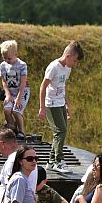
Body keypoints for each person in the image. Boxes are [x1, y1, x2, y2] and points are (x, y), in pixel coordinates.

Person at [38, 41, 84, 174]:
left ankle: (51, 161)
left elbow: (63, 87)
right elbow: (43, 87)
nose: (75, 64)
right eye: (75, 61)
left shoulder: (67, 69)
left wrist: (67, 105)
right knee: (60, 131)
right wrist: (42, 108)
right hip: (51, 104)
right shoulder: (54, 67)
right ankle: (58, 160)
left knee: (60, 132)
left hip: (60, 103)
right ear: (68, 56)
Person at [0, 40, 29, 137]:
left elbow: (23, 82)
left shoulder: (22, 65)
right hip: (10, 92)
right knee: (7, 109)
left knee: (16, 111)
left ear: (16, 54)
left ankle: (21, 131)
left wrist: (19, 98)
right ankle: (12, 129)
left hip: (22, 91)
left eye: (9, 58)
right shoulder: (3, 65)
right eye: (4, 58)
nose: (6, 60)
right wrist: (8, 94)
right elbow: (3, 80)